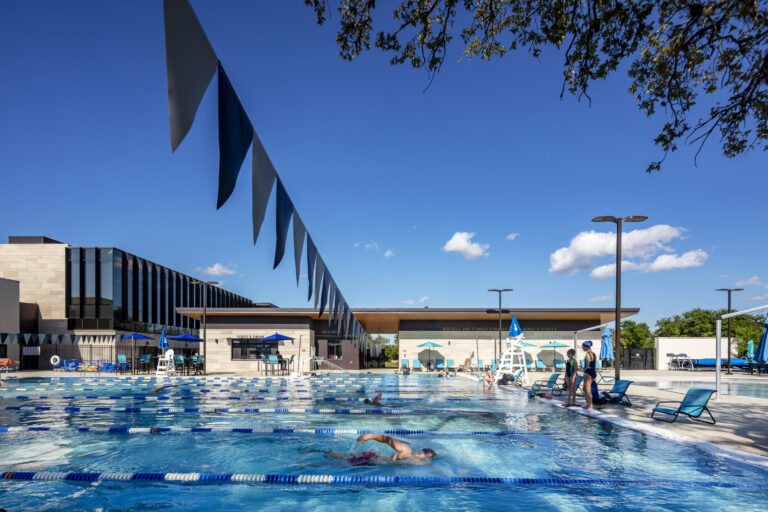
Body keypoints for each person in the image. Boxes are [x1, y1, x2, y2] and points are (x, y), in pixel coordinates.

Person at [304, 434, 436, 465]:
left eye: (425, 453)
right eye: (424, 451)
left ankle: (319, 453)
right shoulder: (407, 451)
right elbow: (387, 440)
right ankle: (315, 453)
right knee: (339, 461)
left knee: (341, 459)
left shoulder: (416, 461)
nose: (422, 452)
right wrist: (370, 436)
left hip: (372, 460)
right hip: (370, 459)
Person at [582, 341, 596, 410]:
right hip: (592, 372)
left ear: (585, 347)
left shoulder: (587, 353)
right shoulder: (593, 353)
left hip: (588, 372)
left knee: (587, 390)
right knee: (584, 389)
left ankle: (590, 406)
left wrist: (586, 366)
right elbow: (594, 363)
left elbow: (588, 359)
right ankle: (588, 404)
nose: (582, 348)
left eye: (583, 346)